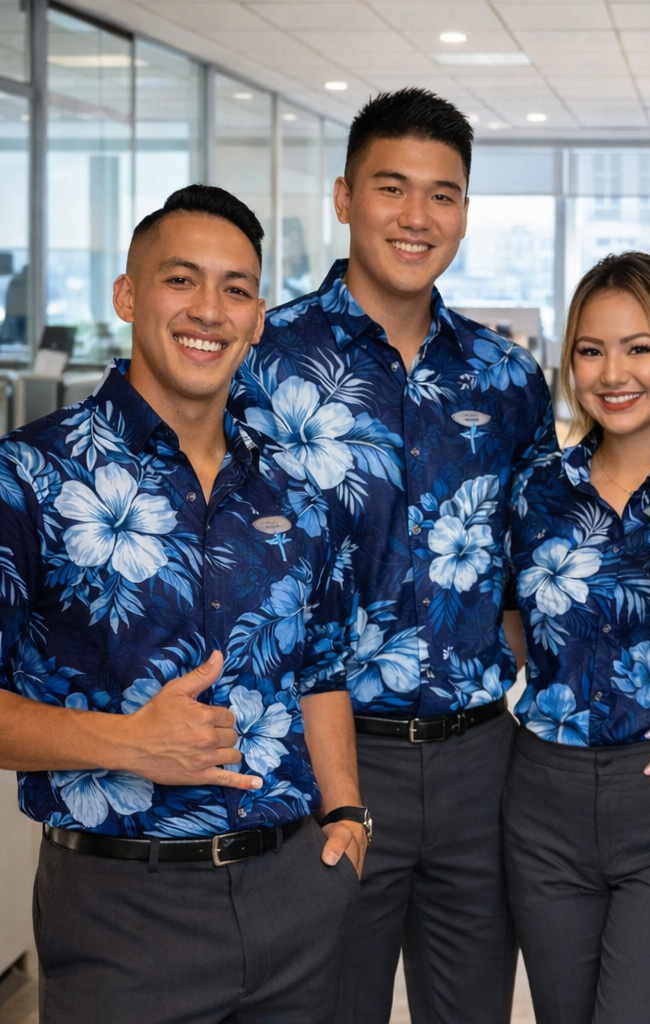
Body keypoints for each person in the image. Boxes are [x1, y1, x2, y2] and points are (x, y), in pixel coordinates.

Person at [0, 185, 367, 1024]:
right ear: (128, 295)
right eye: (181, 280)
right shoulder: (30, 477)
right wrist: (126, 743)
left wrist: (345, 812)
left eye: (236, 288)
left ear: (259, 316)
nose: (210, 309)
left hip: (293, 897)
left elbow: (322, 667)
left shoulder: (300, 488)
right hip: (124, 910)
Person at [229, 89, 557, 1024]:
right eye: (391, 188)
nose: (417, 217)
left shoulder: (506, 377)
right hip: (315, 761)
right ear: (344, 198)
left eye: (443, 195)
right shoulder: (262, 357)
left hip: (478, 764)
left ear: (464, 212)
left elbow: (543, 555)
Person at [502, 252, 650, 1024]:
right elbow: (510, 616)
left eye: (639, 347)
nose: (613, 372)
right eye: (591, 350)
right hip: (540, 801)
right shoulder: (537, 490)